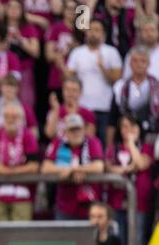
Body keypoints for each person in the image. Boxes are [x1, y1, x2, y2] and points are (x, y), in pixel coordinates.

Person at [106, 114, 154, 245]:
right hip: (117, 202)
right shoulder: (114, 148)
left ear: (139, 128)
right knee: (119, 241)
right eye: (124, 127)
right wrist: (127, 169)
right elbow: (107, 167)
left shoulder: (146, 147)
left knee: (137, 243)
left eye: (132, 126)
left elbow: (141, 163)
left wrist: (132, 144)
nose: (128, 130)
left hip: (139, 203)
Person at [66, 19, 122, 147]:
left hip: (104, 107)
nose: (93, 33)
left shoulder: (111, 52)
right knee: (82, 143)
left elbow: (117, 80)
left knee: (102, 144)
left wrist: (102, 68)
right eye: (91, 30)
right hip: (82, 107)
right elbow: (69, 79)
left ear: (103, 34)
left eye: (97, 30)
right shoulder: (77, 53)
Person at [41, 114, 104, 220]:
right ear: (66, 131)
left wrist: (74, 169)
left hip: (90, 206)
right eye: (72, 130)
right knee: (64, 236)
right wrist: (69, 170)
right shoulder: (58, 143)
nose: (76, 133)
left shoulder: (93, 142)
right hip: (65, 205)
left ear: (84, 129)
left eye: (78, 129)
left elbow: (99, 166)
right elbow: (45, 167)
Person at [0, 104, 39, 221]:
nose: (10, 119)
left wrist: (9, 171)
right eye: (7, 116)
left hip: (22, 194)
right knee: (0, 234)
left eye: (14, 116)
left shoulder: (28, 135)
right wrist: (8, 171)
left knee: (20, 236)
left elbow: (34, 166)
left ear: (21, 119)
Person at [108, 46, 159, 147]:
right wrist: (109, 147)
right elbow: (112, 120)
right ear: (130, 63)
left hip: (151, 136)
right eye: (135, 61)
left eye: (143, 61)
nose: (139, 64)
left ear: (148, 64)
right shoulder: (120, 86)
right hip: (125, 136)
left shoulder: (157, 87)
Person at [4, 0, 41, 109]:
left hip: (24, 69)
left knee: (26, 102)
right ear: (6, 10)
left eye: (17, 8)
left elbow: (36, 52)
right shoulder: (0, 27)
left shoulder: (29, 28)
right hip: (5, 70)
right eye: (11, 7)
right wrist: (6, 40)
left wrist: (20, 39)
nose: (13, 10)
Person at [44, 0, 80, 98]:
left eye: (74, 9)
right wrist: (64, 52)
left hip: (76, 79)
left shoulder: (82, 30)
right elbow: (49, 55)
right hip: (57, 78)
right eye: (68, 8)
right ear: (63, 10)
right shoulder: (56, 28)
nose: (71, 11)